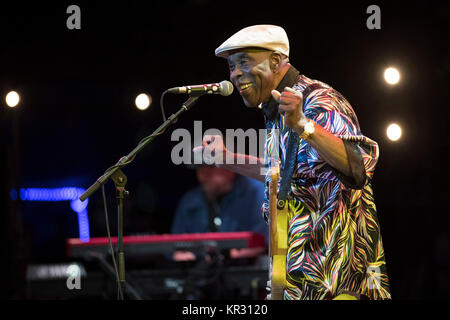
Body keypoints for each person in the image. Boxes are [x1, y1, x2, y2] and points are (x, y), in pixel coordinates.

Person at [194, 25, 391, 300]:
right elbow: (287, 174)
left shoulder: (318, 100)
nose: (235, 73)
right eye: (231, 65)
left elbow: (359, 166)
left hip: (338, 280)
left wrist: (303, 125)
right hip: (301, 281)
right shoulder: (277, 112)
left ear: (276, 61)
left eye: (244, 62)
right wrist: (228, 159)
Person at [171, 164, 268, 261]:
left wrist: (222, 257)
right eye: (199, 168)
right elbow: (176, 247)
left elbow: (263, 244)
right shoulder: (190, 199)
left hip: (245, 269)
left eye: (210, 167)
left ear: (231, 167)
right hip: (198, 271)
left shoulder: (258, 192)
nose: (203, 175)